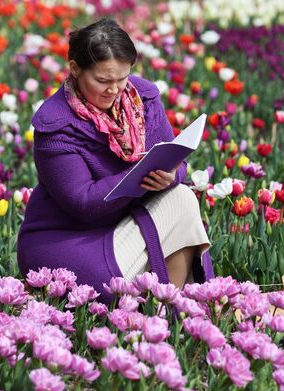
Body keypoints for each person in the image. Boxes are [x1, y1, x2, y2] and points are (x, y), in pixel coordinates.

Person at [17, 18, 213, 303]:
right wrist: (138, 174)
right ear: (75, 69)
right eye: (102, 80)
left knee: (181, 197)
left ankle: (167, 314)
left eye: (122, 78)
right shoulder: (55, 125)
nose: (115, 89)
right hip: (69, 240)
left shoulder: (142, 99)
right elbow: (83, 205)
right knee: (101, 282)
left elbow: (175, 161)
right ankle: (150, 316)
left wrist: (171, 177)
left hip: (127, 221)